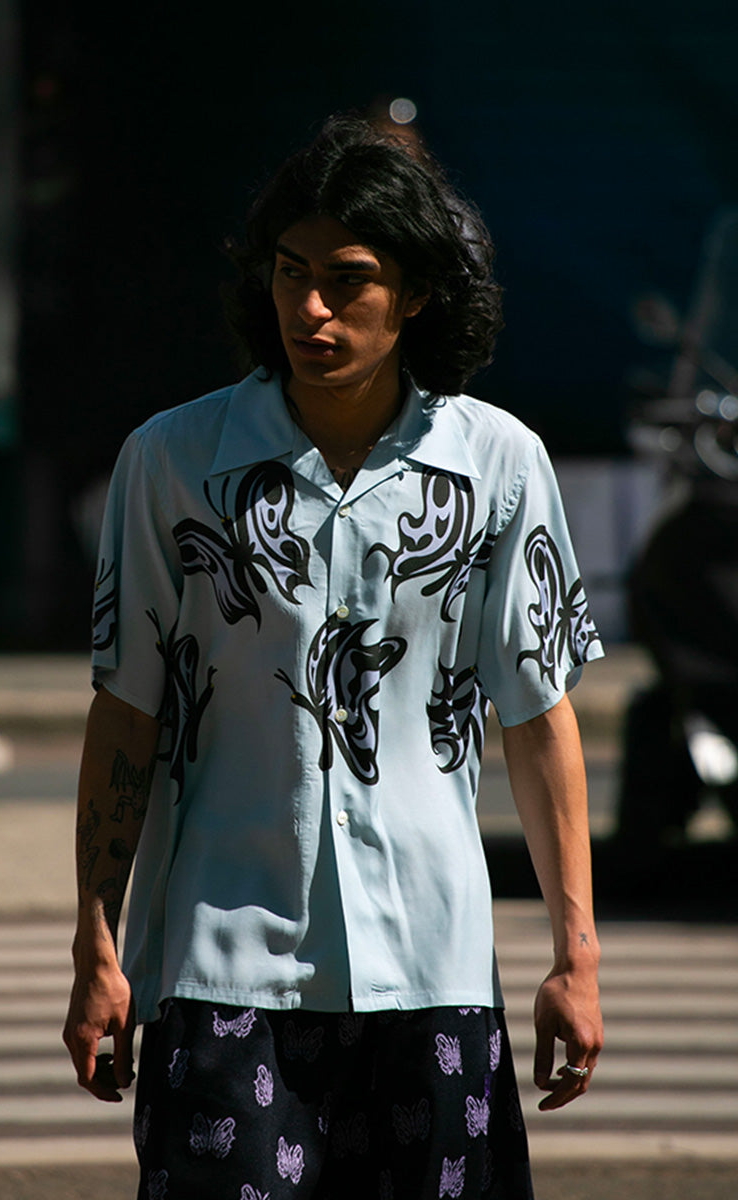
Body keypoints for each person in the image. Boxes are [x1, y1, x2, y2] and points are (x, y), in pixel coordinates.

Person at [64, 116, 604, 1200]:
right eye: (290, 272)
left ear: (416, 294)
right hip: (223, 964)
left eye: (348, 280)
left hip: (434, 967)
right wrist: (96, 946)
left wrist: (574, 959)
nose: (311, 307)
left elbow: (538, 717)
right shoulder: (170, 463)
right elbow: (126, 714)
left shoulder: (499, 464)